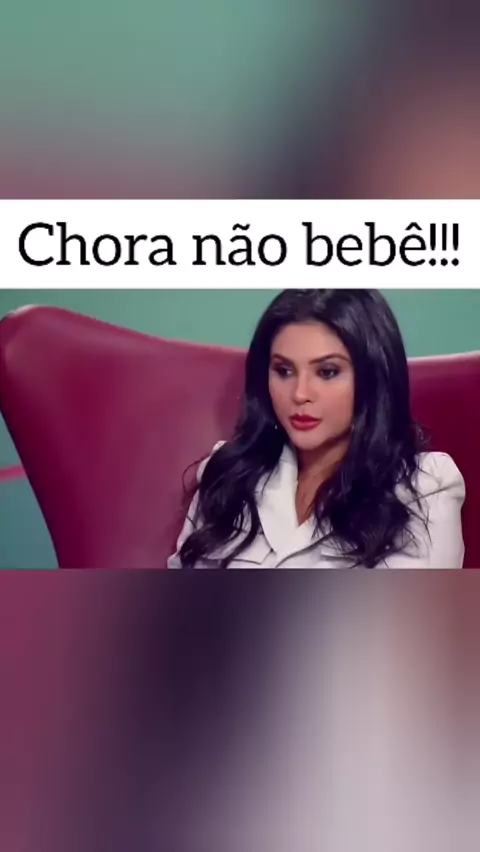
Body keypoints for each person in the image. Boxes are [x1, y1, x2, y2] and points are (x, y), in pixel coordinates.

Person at [167, 289, 465, 569]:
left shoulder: (426, 486)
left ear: (372, 377)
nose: (300, 393)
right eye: (284, 371)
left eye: (327, 372)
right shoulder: (226, 473)